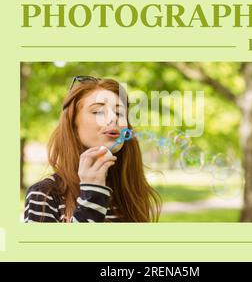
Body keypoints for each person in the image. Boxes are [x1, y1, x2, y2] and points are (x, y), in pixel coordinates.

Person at [24, 76, 161, 222]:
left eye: (120, 113)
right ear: (73, 126)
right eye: (98, 112)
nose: (113, 119)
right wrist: (93, 194)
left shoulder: (131, 193)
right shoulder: (44, 195)